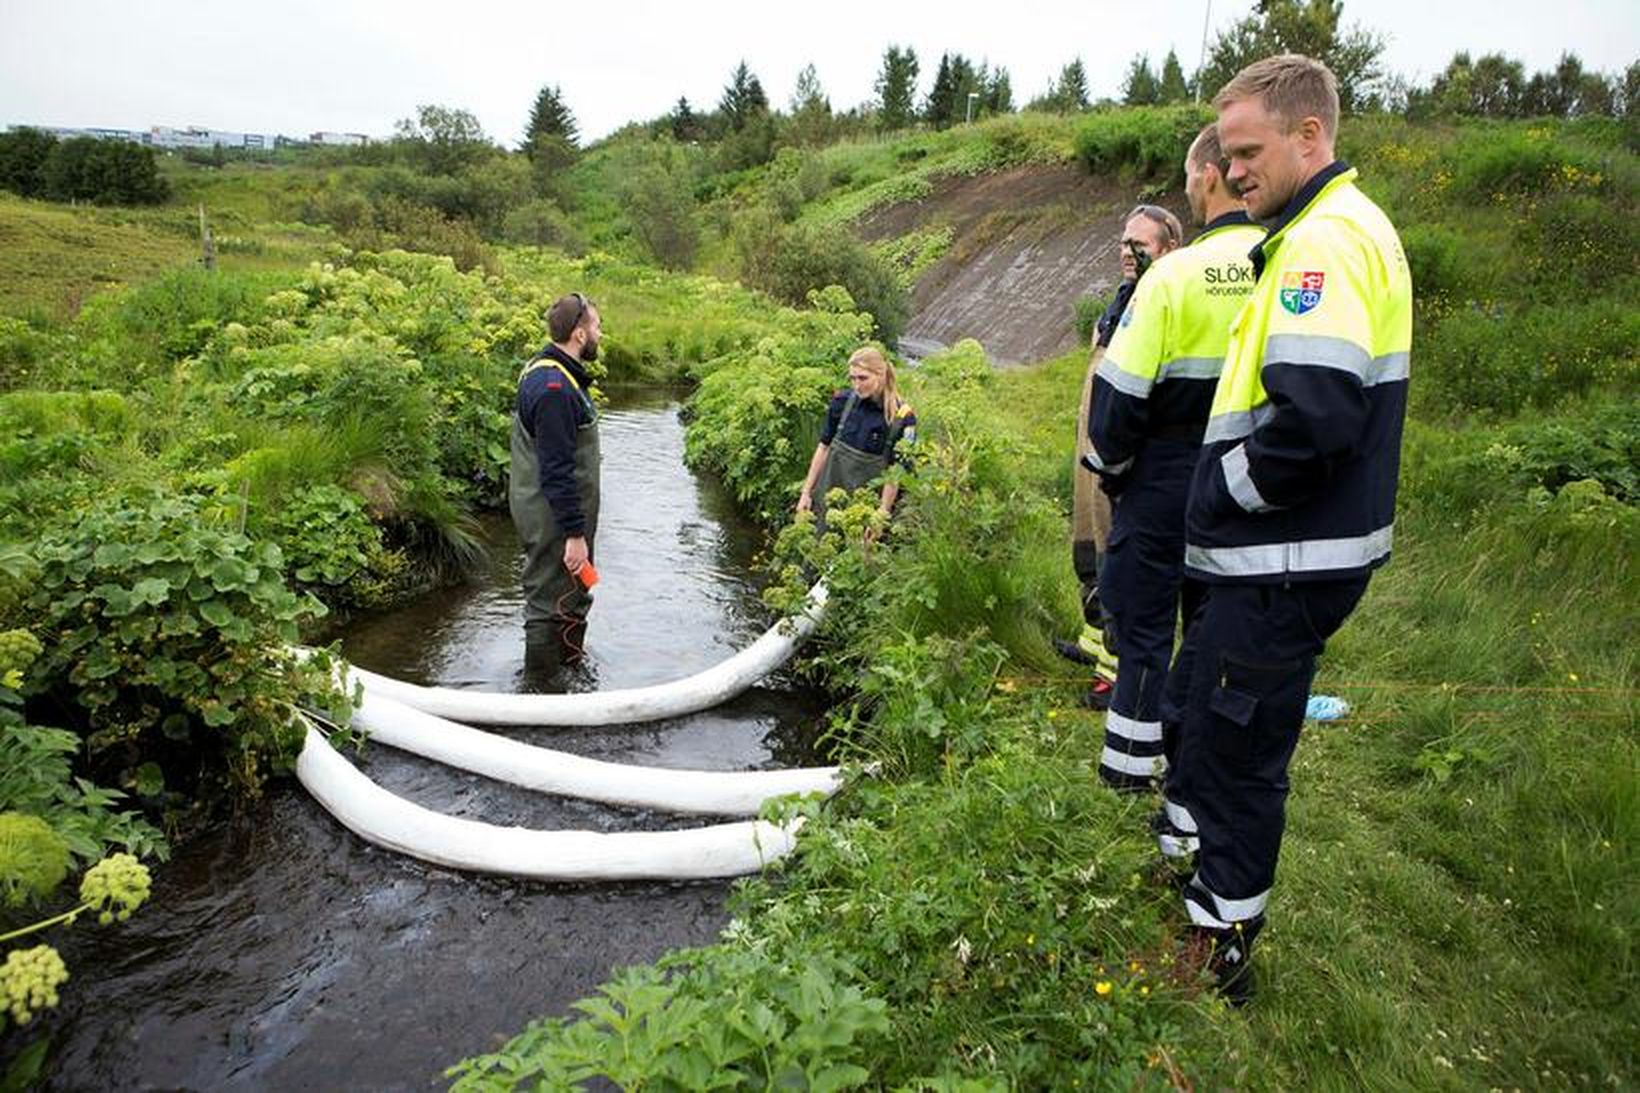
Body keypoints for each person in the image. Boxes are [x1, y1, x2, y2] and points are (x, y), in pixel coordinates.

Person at [1164, 54, 1412, 1003]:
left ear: (1311, 135)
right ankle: (1212, 914)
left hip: (1280, 563)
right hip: (1286, 560)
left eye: (1248, 151)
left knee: (1238, 757)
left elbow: (1314, 421)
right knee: (1235, 741)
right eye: (1225, 156)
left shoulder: (1322, 245)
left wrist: (1221, 489)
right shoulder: (1331, 231)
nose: (1230, 175)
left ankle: (1219, 952)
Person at [1085, 125, 1262, 794]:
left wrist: (1115, 468)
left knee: (1144, 632)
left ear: (1208, 176)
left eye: (1190, 175)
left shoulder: (1175, 277)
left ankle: (1128, 777)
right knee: (1215, 635)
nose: (1188, 186)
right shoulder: (1283, 262)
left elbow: (1120, 399)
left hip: (1165, 474)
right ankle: (1192, 774)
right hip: (1250, 481)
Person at [1060, 205, 1183, 707]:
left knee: (1117, 554)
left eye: (1140, 244)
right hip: (1092, 436)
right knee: (1087, 542)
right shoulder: (1124, 297)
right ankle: (1094, 642)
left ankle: (1117, 672)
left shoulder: (1163, 298)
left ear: (1169, 249)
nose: (1127, 252)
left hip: (1122, 453)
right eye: (1123, 242)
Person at [509, 292, 603, 665]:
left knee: (576, 590)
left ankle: (568, 674)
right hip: (553, 521)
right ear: (579, 335)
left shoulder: (547, 370)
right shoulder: (554, 389)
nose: (600, 334)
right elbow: (557, 470)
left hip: (551, 516)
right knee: (549, 602)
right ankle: (542, 697)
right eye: (596, 327)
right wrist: (575, 535)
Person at [796, 346, 916, 533]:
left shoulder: (902, 417)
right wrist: (805, 492)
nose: (857, 385)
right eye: (853, 378)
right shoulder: (841, 402)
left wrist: (881, 515)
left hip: (866, 511)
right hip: (826, 500)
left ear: (881, 374)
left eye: (863, 378)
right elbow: (823, 447)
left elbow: (896, 473)